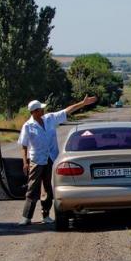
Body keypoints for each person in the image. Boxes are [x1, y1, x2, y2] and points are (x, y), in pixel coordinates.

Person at [17, 95, 97, 225]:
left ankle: (46, 215)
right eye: (41, 109)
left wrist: (82, 103)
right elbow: (23, 145)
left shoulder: (50, 119)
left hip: (51, 158)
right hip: (36, 160)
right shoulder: (27, 126)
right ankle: (27, 217)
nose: (43, 110)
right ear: (34, 112)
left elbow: (66, 111)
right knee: (32, 188)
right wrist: (25, 163)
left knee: (48, 188)